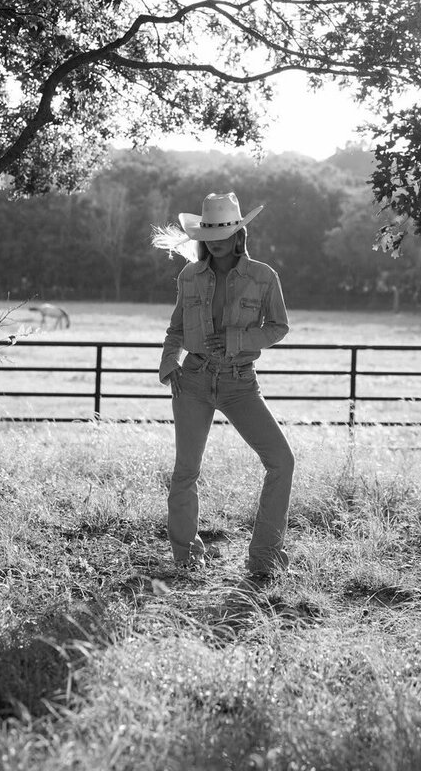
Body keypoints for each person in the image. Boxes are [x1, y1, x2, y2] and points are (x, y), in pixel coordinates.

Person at [152, 191, 295, 581]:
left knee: (281, 461)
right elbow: (176, 330)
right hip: (193, 380)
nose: (215, 241)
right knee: (186, 470)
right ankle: (185, 557)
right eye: (209, 234)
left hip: (240, 382)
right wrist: (169, 361)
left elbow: (278, 328)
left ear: (238, 235)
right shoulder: (189, 276)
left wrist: (237, 339)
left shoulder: (263, 276)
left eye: (223, 233)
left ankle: (264, 556)